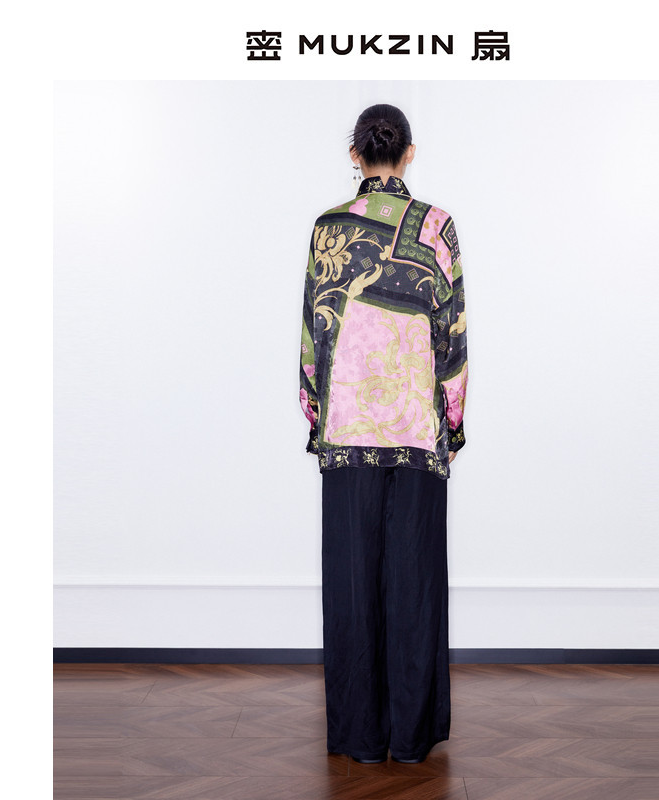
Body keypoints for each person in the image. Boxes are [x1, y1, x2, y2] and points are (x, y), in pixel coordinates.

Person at [298, 103, 468, 765]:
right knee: (414, 580)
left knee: (352, 582)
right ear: (410, 153)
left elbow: (314, 333)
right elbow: (451, 332)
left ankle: (361, 738)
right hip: (417, 431)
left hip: (347, 429)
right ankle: (411, 737)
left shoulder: (329, 228)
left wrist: (316, 412)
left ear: (355, 154)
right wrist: (451, 420)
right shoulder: (437, 226)